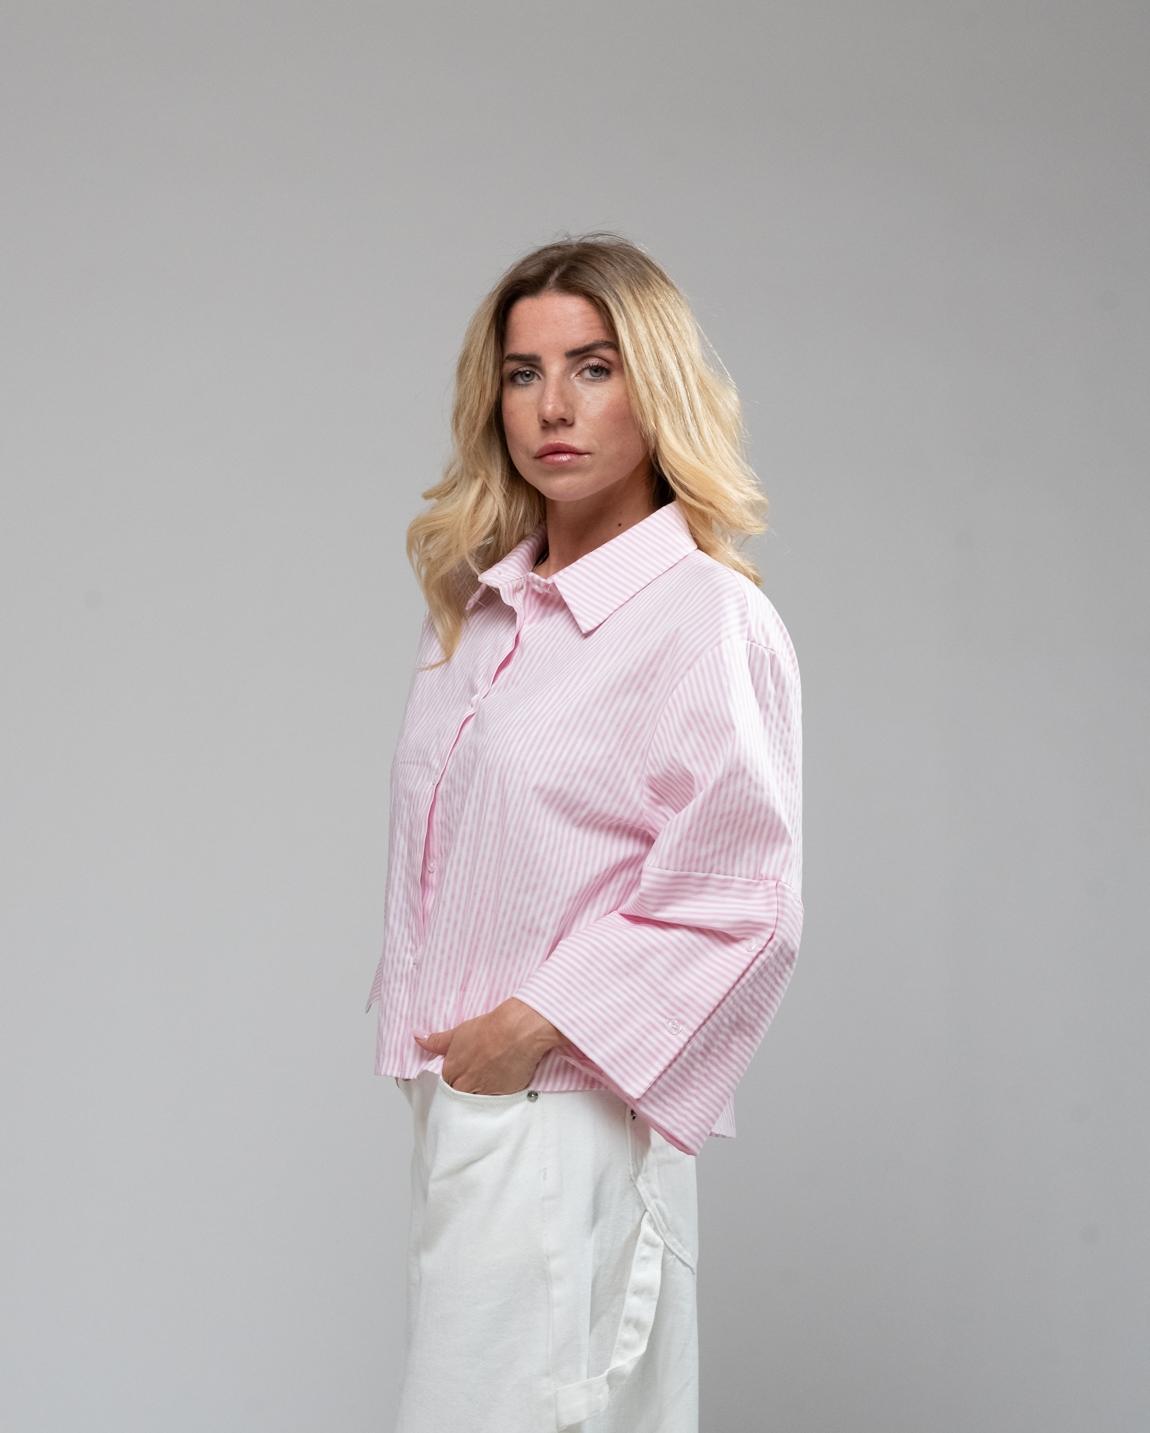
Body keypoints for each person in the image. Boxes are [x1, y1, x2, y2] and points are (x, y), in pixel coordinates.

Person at [364, 231, 804, 1432]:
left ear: (652, 388)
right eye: (523, 372)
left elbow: (742, 894)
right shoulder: (482, 615)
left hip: (566, 1107)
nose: (552, 405)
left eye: (593, 367)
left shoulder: (700, 616)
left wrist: (530, 1025)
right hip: (470, 1111)